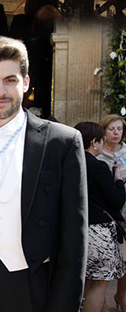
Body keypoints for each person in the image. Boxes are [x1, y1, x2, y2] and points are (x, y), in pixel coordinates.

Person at [0, 34, 88, 312]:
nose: (0, 91)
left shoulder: (62, 142)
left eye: (10, 80)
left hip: (32, 280)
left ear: (26, 82)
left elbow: (75, 238)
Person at [75, 120, 125, 312]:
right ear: (94, 142)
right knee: (99, 284)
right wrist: (119, 181)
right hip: (99, 232)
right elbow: (116, 202)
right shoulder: (97, 166)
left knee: (87, 283)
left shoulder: (70, 162)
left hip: (78, 228)